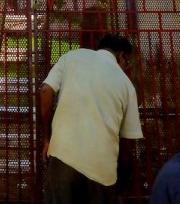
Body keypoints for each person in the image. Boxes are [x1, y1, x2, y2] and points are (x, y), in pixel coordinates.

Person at [39, 33, 144, 204]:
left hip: (63, 159)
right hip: (101, 173)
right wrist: (119, 191)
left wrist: (47, 138)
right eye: (127, 62)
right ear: (120, 55)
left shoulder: (72, 57)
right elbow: (128, 147)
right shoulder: (126, 85)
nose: (126, 67)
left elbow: (45, 90)